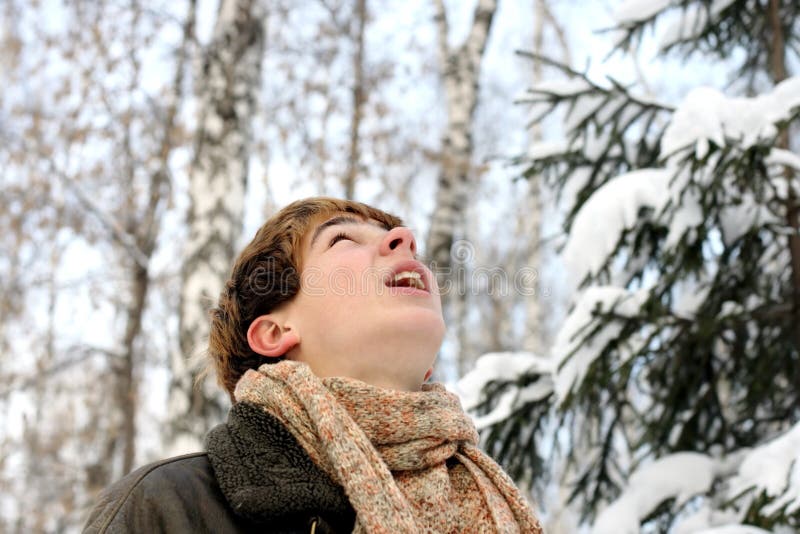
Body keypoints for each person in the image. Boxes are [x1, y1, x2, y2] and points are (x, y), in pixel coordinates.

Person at [84, 197, 543, 533]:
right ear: (275, 333)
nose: (403, 241)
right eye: (343, 239)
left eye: (396, 238)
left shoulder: (490, 501)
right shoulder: (168, 507)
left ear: (428, 369)